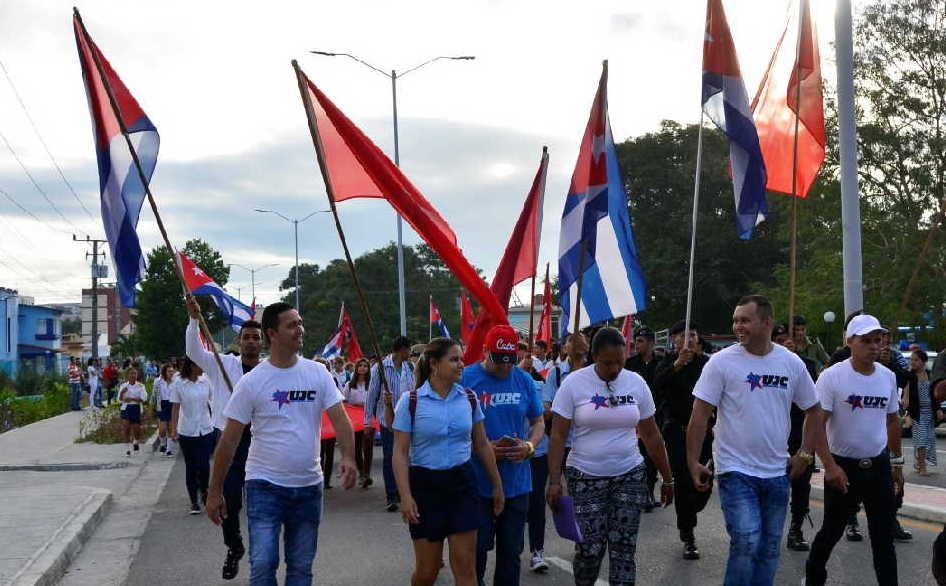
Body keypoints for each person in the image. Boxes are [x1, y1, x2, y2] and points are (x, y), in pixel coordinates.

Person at [207, 302, 357, 586]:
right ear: (271, 334)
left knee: (300, 569)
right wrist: (215, 491)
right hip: (264, 487)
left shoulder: (318, 373)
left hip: (308, 488)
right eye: (292, 325)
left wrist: (349, 457)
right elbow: (229, 440)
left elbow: (340, 419)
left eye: (300, 323)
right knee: (263, 565)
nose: (300, 329)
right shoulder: (252, 382)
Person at [687, 295, 823, 586]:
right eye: (736, 320)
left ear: (767, 322)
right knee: (747, 539)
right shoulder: (721, 363)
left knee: (769, 548)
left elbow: (814, 409)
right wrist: (692, 461)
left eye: (745, 320)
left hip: (777, 472)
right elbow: (699, 415)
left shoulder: (791, 363)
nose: (738, 326)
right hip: (735, 469)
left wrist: (805, 454)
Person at [547, 327, 674, 586]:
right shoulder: (574, 383)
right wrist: (554, 481)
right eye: (607, 363)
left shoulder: (636, 383)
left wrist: (668, 478)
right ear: (593, 356)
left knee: (623, 550)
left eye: (620, 361)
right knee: (590, 550)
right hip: (585, 476)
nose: (614, 368)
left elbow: (651, 435)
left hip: (629, 474)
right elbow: (558, 435)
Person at [392, 337, 504, 586]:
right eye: (454, 359)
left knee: (466, 570)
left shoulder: (470, 398)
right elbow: (400, 453)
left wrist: (497, 485)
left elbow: (482, 444)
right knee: (427, 573)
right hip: (425, 487)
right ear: (434, 364)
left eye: (461, 359)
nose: (461, 364)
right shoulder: (410, 402)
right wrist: (405, 496)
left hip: (462, 484)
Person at [804, 314, 903, 586]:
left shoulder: (888, 377)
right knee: (832, 531)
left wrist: (897, 463)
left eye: (878, 340)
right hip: (843, 467)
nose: (874, 346)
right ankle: (813, 577)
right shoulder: (832, 377)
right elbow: (816, 423)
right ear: (850, 342)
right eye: (866, 340)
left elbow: (893, 420)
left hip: (879, 466)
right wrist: (830, 466)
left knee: (883, 537)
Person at [185, 295, 263, 581]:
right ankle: (234, 546)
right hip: (228, 442)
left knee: (261, 504)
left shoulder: (270, 372)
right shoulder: (222, 364)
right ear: (239, 341)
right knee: (228, 500)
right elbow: (194, 351)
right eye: (247, 337)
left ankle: (261, 553)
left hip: (259, 444)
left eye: (256, 337)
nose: (251, 341)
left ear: (262, 342)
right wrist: (194, 319)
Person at [463, 324, 545, 586]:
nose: (505, 368)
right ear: (485, 351)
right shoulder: (465, 379)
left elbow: (538, 421)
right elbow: (452, 427)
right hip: (477, 483)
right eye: (499, 361)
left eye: (511, 361)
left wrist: (529, 447)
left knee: (511, 554)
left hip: (517, 483)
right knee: (475, 552)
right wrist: (483, 447)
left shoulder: (524, 380)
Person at [653, 320, 711, 560]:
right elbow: (656, 387)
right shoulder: (667, 363)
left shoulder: (707, 364)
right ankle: (688, 533)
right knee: (684, 482)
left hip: (705, 431)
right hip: (677, 430)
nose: (687, 340)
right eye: (681, 336)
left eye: (692, 335)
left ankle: (692, 510)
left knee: (705, 480)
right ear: (674, 340)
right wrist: (677, 365)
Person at [771, 324, 819, 553]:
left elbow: (813, 405)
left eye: (790, 339)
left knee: (802, 485)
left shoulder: (805, 366)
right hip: (774, 436)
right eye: (781, 340)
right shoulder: (766, 367)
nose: (788, 343)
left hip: (800, 434)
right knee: (772, 487)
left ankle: (796, 528)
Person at [365, 335, 414, 512]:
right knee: (389, 457)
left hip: (406, 419)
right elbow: (371, 395)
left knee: (405, 456)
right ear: (402, 349)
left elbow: (413, 390)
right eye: (409, 349)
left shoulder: (409, 367)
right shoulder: (380, 368)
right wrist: (367, 422)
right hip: (387, 419)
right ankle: (391, 495)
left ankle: (403, 491)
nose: (410, 353)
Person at [170, 356, 215, 514]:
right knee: (191, 466)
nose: (203, 367)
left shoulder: (206, 381)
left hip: (206, 429)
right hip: (187, 431)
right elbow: (175, 408)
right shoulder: (179, 384)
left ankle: (204, 492)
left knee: (204, 465)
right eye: (199, 364)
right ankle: (193, 501)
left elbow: (213, 402)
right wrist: (173, 429)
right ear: (191, 366)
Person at [624, 326, 660, 512]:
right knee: (639, 457)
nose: (637, 344)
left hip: (654, 416)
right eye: (636, 341)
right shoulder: (630, 364)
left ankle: (649, 491)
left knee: (652, 456)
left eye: (641, 341)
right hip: (634, 418)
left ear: (651, 342)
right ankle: (639, 492)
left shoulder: (661, 362)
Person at [905, 349, 935, 476]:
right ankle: (922, 467)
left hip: (930, 413)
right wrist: (908, 414)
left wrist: (938, 409)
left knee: (927, 439)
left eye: (916, 360)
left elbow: (935, 395)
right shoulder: (910, 376)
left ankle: (919, 463)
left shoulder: (930, 374)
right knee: (921, 440)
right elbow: (905, 397)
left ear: (923, 361)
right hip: (917, 413)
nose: (913, 362)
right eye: (911, 360)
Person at [345, 357, 374, 488]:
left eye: (365, 366)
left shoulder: (372, 383)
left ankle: (367, 474)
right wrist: (355, 404)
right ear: (356, 368)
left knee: (368, 446)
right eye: (360, 365)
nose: (362, 368)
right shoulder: (349, 385)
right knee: (356, 447)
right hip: (354, 419)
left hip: (369, 418)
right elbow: (344, 401)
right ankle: (361, 473)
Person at [118, 366, 147, 457]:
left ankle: (136, 442)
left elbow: (143, 399)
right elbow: (119, 399)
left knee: (136, 429)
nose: (133, 375)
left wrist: (132, 398)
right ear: (127, 375)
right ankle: (127, 449)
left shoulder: (140, 386)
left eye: (135, 373)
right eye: (131, 374)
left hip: (136, 408)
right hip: (126, 408)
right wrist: (122, 393)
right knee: (126, 428)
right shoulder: (123, 386)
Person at [155, 363, 176, 456]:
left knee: (171, 428)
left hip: (172, 405)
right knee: (162, 429)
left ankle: (169, 450)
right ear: (164, 372)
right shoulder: (158, 381)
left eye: (172, 371)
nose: (171, 373)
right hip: (162, 405)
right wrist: (152, 407)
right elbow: (154, 395)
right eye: (169, 371)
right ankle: (163, 444)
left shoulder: (176, 382)